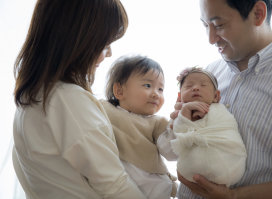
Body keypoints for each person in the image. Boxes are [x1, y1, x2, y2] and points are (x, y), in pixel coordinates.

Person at [13, 0, 147, 198]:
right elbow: (115, 186)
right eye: (106, 44)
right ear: (79, 40)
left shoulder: (31, 96)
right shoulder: (67, 100)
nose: (109, 53)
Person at [171, 0, 272, 198]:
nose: (211, 39)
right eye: (206, 25)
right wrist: (179, 122)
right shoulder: (210, 73)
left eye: (219, 25)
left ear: (257, 13)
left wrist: (235, 196)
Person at [101, 54, 178, 199]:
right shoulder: (103, 108)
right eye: (148, 85)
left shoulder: (158, 122)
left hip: (154, 187)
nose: (156, 94)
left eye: (161, 89)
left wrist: (176, 128)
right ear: (120, 91)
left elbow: (172, 154)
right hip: (117, 186)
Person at [171, 66, 247, 188]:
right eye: (189, 86)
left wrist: (200, 121)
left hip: (230, 164)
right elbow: (180, 136)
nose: (195, 88)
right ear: (180, 97)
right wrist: (185, 110)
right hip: (191, 170)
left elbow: (226, 128)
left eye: (203, 85)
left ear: (216, 96)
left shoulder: (219, 110)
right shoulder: (180, 113)